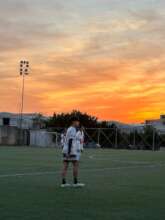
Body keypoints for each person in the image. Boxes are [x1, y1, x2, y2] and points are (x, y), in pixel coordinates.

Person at [61, 117, 85, 188]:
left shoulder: (69, 128)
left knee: (65, 166)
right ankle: (75, 183)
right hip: (70, 150)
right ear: (73, 122)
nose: (78, 123)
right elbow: (70, 141)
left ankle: (63, 183)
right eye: (77, 122)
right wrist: (69, 152)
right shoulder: (73, 129)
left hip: (65, 149)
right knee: (75, 165)